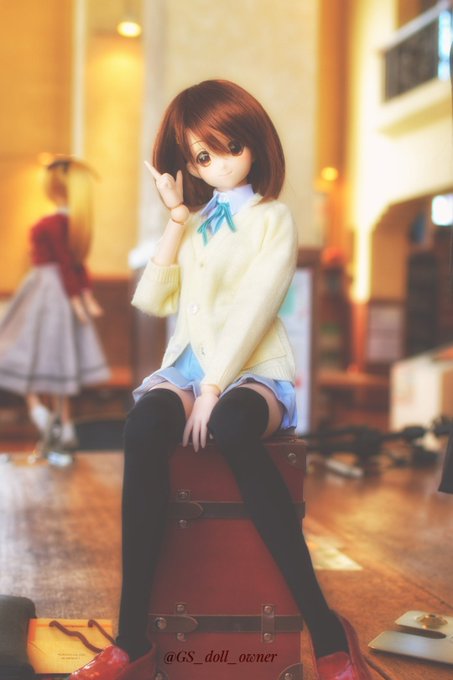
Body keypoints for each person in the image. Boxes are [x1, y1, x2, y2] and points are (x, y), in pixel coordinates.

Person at [70, 80, 372, 680]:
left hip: (254, 370)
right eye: (204, 156)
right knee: (142, 426)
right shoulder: (197, 222)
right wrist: (175, 220)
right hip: (188, 367)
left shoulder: (271, 218)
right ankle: (132, 641)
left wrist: (212, 389)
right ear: (189, 165)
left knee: (233, 427)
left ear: (254, 142)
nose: (221, 164)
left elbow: (257, 308)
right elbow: (153, 301)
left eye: (232, 147)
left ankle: (326, 631)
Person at [0, 157, 110, 460]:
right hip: (54, 290)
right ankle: (60, 422)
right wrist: (83, 296)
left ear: (57, 188)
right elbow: (75, 266)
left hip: (47, 290)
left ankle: (43, 413)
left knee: (28, 353)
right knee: (57, 360)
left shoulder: (52, 224)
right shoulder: (75, 225)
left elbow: (66, 263)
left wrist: (78, 298)